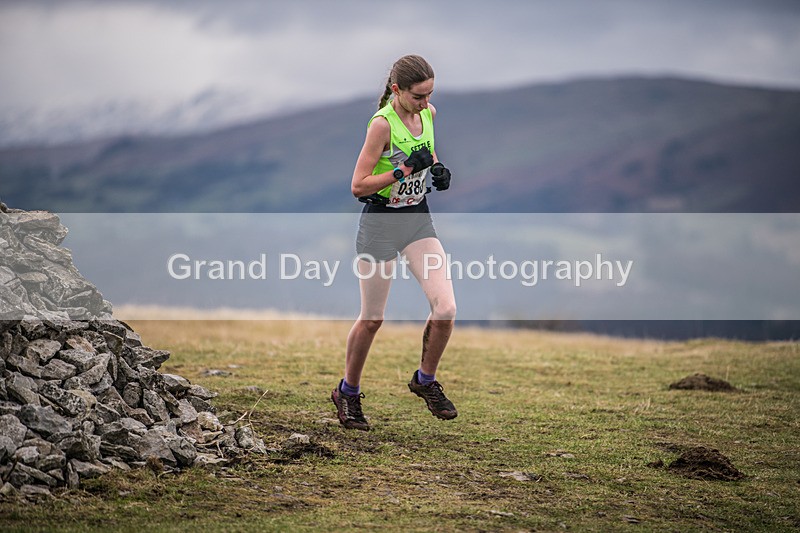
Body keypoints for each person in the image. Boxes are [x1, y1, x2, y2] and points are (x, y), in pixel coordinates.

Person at [330, 54, 457, 431]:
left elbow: (426, 152)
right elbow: (358, 186)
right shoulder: (381, 125)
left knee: (446, 308)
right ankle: (347, 392)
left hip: (417, 219)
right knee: (372, 319)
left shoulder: (428, 113)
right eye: (418, 96)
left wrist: (436, 168)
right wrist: (402, 170)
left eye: (430, 94)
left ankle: (425, 380)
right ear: (397, 90)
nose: (425, 102)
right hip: (381, 224)